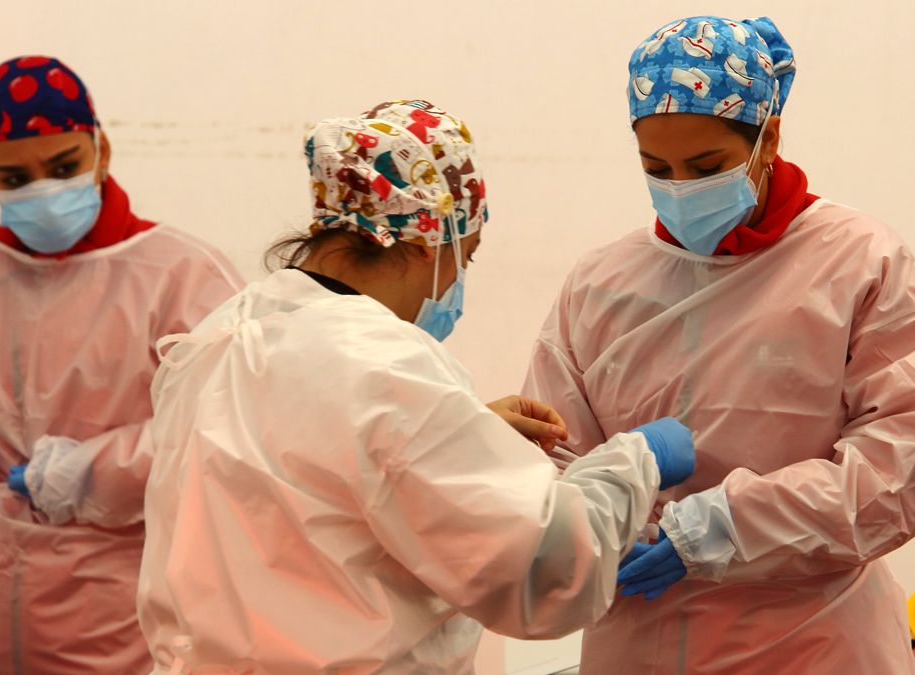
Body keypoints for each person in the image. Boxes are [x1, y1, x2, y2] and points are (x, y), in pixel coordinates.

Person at [137, 99, 697, 674]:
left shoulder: (223, 333)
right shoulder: (385, 365)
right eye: (466, 257)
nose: (457, 282)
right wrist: (635, 463)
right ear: (428, 243)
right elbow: (539, 571)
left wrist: (460, 427)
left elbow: (299, 482)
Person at [523, 16, 915, 673]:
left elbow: (907, 468)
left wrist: (725, 523)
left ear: (769, 138)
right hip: (640, 642)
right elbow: (553, 463)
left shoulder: (857, 264)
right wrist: (601, 523)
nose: (680, 187)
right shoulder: (600, 285)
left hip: (816, 647)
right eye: (656, 168)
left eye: (705, 166)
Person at [0, 55, 244, 674]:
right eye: (13, 179)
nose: (41, 193)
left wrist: (96, 472)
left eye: (64, 168)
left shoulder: (183, 278)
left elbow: (228, 427)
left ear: (102, 148)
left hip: (120, 614)